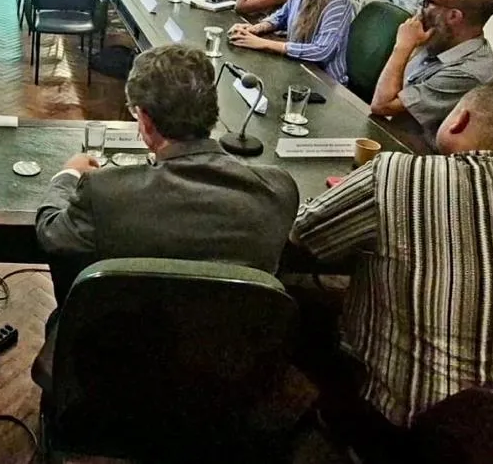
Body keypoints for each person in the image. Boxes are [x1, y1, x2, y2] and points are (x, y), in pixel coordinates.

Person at [33, 46, 298, 384]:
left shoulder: (105, 192)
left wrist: (68, 176)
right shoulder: (277, 191)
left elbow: (51, 233)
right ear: (211, 112)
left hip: (121, 371)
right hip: (226, 375)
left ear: (144, 120)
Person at [292, 79, 493, 436]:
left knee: (295, 298)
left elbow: (303, 235)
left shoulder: (396, 172)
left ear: (459, 120)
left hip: (403, 425)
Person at [369, 0, 493, 137]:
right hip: (386, 132)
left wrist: (402, 47)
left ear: (453, 16)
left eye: (428, 2)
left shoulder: (469, 73)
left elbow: (382, 105)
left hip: (413, 152)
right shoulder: (442, 38)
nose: (420, 9)